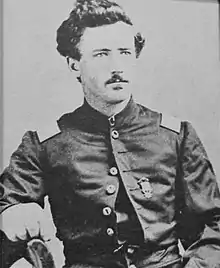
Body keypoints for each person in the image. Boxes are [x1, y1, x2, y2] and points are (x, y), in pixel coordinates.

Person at [1, 0, 220, 267]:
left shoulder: (176, 135)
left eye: (125, 53)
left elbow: (212, 229)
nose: (117, 66)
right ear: (74, 65)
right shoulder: (43, 144)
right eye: (102, 54)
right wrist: (12, 216)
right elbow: (7, 208)